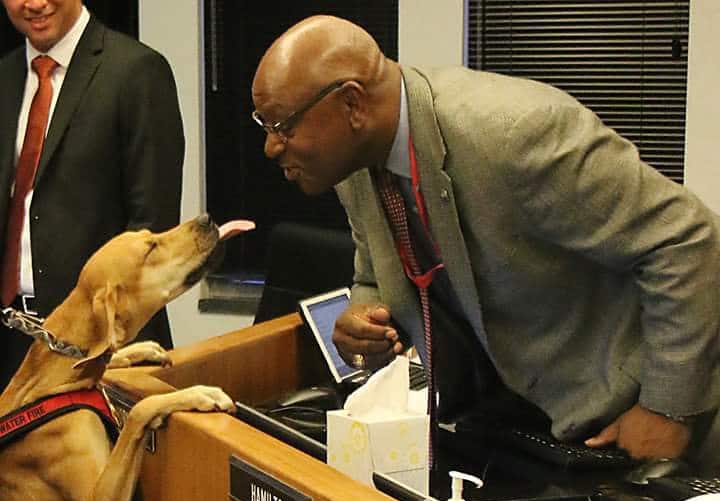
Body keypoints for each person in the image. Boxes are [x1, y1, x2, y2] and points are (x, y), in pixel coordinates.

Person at [251, 15, 720, 462]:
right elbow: (374, 272)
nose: (271, 148)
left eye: (283, 126)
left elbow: (687, 240)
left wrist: (667, 410)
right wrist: (362, 311)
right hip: (528, 421)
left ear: (351, 104)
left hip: (648, 408)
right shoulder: (354, 165)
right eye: (264, 125)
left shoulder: (513, 134)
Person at [0, 0, 184, 391]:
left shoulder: (136, 72)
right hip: (12, 339)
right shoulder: (4, 76)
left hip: (101, 348)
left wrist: (105, 334)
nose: (33, 3)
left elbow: (152, 228)